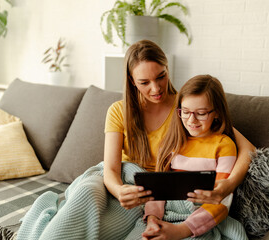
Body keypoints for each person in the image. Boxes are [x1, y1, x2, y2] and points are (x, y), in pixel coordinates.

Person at [104, 40, 255, 218]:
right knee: (86, 190)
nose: (156, 88)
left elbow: (248, 148)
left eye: (161, 76)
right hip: (123, 182)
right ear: (132, 81)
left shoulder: (185, 109)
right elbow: (110, 170)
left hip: (157, 192)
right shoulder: (118, 111)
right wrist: (119, 190)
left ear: (167, 68)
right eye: (144, 82)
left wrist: (228, 185)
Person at [142, 74, 241, 239]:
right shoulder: (173, 141)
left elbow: (221, 200)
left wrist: (181, 230)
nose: (191, 120)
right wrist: (152, 219)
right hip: (163, 213)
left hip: (199, 218)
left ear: (216, 113)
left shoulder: (223, 145)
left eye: (201, 113)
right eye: (185, 112)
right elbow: (158, 189)